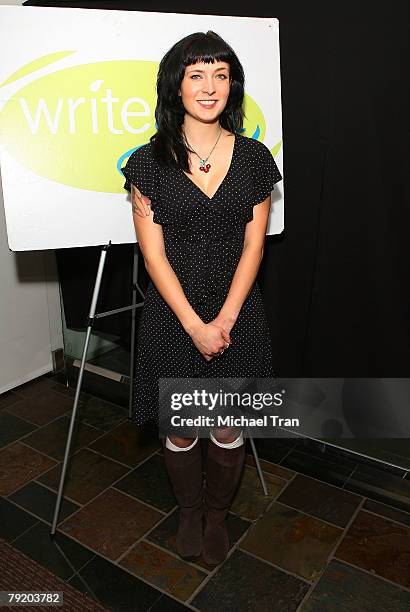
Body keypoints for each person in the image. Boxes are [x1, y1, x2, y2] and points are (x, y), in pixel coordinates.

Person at [121, 31, 282, 566]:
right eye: (196, 74)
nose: (209, 86)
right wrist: (195, 325)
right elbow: (154, 257)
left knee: (227, 423)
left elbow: (255, 245)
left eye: (220, 74)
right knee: (184, 428)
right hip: (175, 317)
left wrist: (226, 318)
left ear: (232, 83)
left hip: (238, 314)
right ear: (177, 85)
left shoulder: (256, 158)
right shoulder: (148, 163)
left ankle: (217, 516)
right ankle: (189, 511)